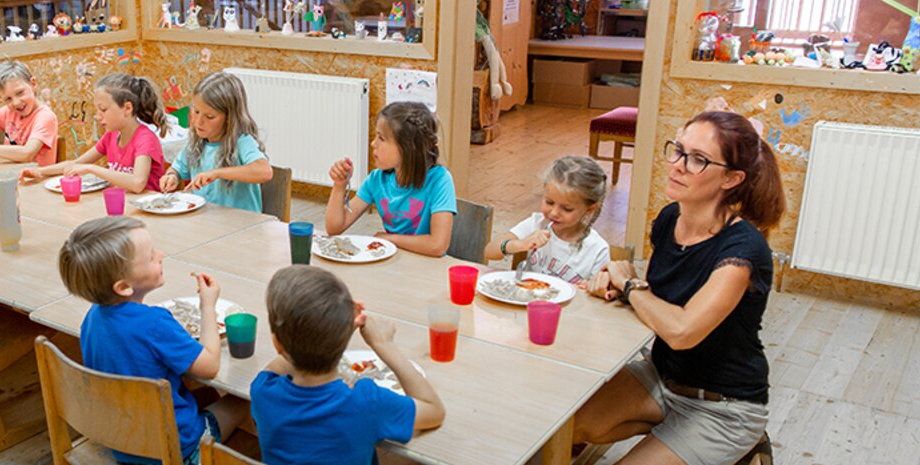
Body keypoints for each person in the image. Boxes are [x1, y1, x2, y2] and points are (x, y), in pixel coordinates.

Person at [575, 111, 786, 464]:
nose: (678, 165)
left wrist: (629, 284)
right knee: (572, 424)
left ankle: (742, 447)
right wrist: (616, 290)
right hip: (661, 376)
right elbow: (661, 299)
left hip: (723, 407)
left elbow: (682, 331)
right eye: (678, 150)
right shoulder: (670, 218)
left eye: (698, 159)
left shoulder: (744, 251)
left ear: (732, 178)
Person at [57, 216, 248, 464]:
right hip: (174, 448)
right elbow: (210, 366)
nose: (161, 254)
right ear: (124, 286)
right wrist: (208, 306)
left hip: (121, 440)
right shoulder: (155, 323)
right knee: (244, 402)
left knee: (204, 391)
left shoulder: (92, 317)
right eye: (150, 257)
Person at [251, 265, 445, 465]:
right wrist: (384, 344)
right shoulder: (367, 403)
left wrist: (331, 327)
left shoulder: (263, 392)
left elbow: (283, 358)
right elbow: (434, 411)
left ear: (277, 344)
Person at [325, 101, 455, 257]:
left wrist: (389, 239)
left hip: (427, 268)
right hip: (394, 263)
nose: (373, 144)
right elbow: (334, 228)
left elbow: (437, 245)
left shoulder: (440, 181)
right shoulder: (376, 179)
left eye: (381, 138)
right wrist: (339, 186)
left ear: (408, 148)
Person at [18, 73, 167, 192]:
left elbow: (137, 183)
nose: (98, 115)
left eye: (103, 109)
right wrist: (41, 172)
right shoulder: (111, 136)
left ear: (127, 108)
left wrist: (92, 169)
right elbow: (75, 163)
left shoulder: (145, 139)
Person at [485, 156, 612, 284]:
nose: (554, 213)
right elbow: (489, 251)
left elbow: (599, 294)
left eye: (567, 209)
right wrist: (519, 244)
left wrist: (591, 289)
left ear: (589, 210)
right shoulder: (536, 224)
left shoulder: (597, 250)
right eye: (549, 202)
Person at [158, 72, 273, 211]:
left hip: (240, 225)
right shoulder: (196, 142)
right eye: (196, 111)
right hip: (206, 221)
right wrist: (172, 177)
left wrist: (217, 173)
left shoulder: (242, 141)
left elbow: (265, 172)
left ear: (230, 118)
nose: (199, 121)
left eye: (210, 116)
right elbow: (177, 169)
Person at [0, 61, 59, 165]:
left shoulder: (45, 117)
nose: (16, 103)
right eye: (8, 99)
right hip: (10, 173)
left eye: (20, 93)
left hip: (36, 178)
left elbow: (27, 154)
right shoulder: (9, 112)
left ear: (33, 84)